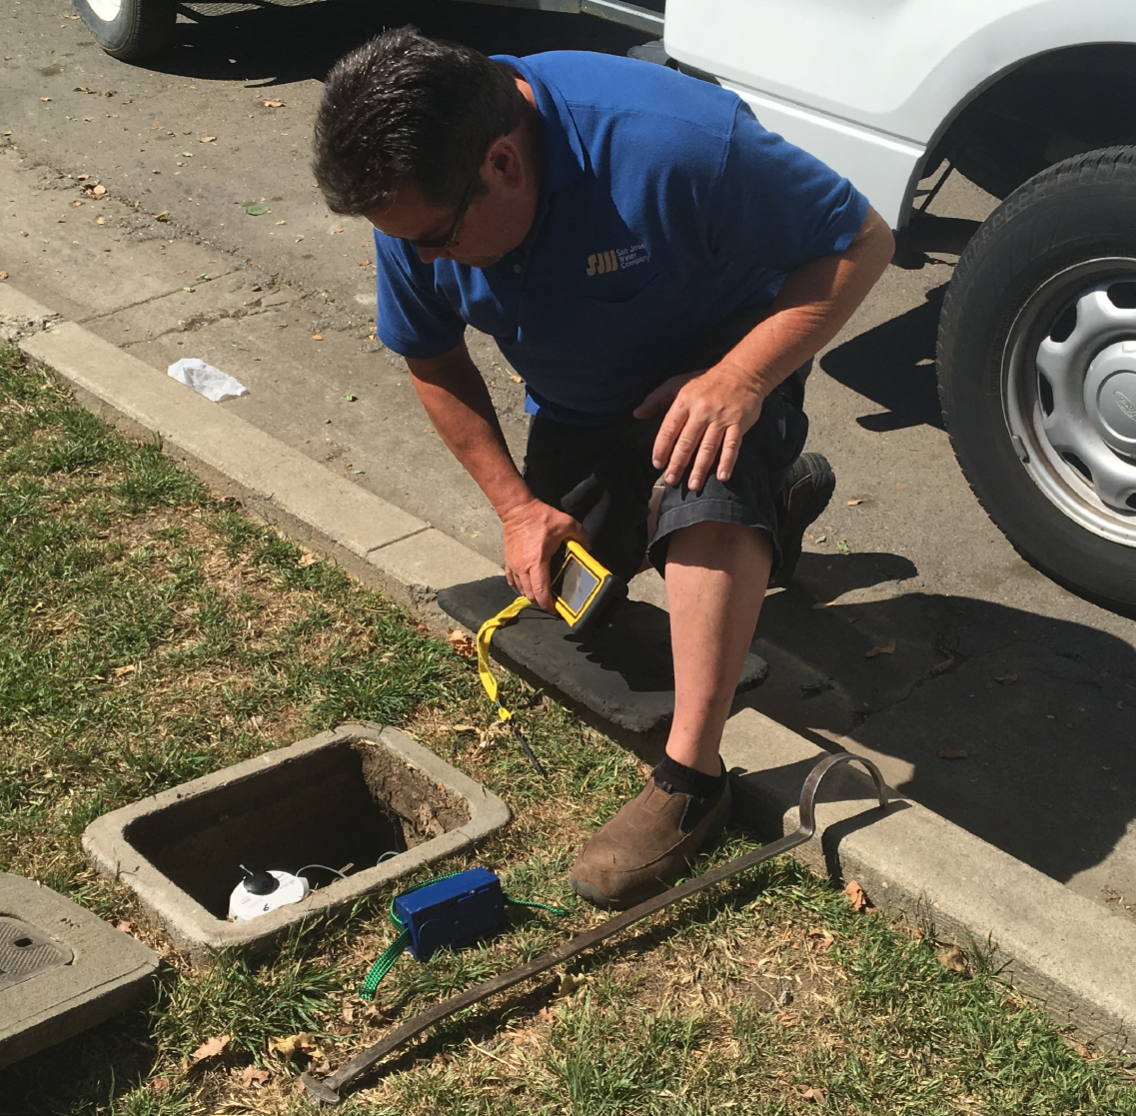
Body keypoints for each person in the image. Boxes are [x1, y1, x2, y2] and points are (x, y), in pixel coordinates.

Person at [313, 28, 893, 909]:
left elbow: (861, 240)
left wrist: (739, 379)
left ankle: (693, 780)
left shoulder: (673, 143)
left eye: (435, 237)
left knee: (702, 492)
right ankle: (779, 499)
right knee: (577, 584)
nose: (422, 259)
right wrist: (516, 508)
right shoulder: (417, 201)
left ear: (503, 163)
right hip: (582, 402)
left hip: (725, 362)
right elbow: (433, 360)